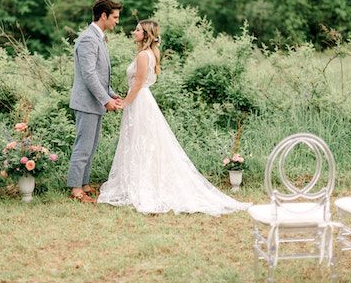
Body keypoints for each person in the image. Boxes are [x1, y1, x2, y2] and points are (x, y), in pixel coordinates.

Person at [97, 20, 250, 215]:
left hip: (140, 101)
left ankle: (144, 185)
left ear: (146, 34)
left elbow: (138, 82)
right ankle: (140, 181)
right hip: (141, 100)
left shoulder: (144, 55)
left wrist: (125, 102)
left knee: (142, 141)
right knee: (142, 141)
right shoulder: (149, 53)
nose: (133, 32)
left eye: (137, 30)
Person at [67, 0, 123, 203]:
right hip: (87, 103)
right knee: (83, 147)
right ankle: (75, 189)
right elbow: (89, 74)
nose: (117, 21)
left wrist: (112, 94)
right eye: (115, 17)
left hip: (95, 102)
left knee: (91, 146)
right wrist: (105, 100)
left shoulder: (98, 38)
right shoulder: (88, 39)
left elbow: (100, 75)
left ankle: (84, 183)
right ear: (103, 16)